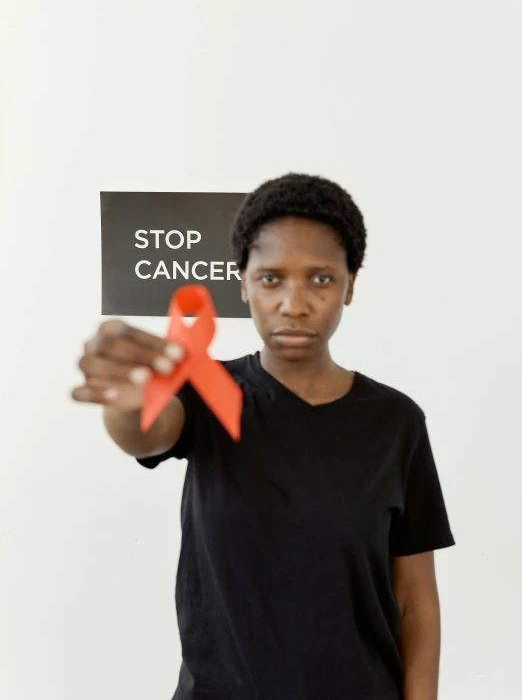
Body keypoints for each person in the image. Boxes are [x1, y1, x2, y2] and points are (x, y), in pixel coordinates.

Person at [72, 172, 456, 700]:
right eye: (271, 278)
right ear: (243, 283)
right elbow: (147, 432)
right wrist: (128, 395)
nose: (293, 303)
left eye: (320, 278)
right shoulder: (209, 394)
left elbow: (416, 601)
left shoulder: (396, 423)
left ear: (350, 283)